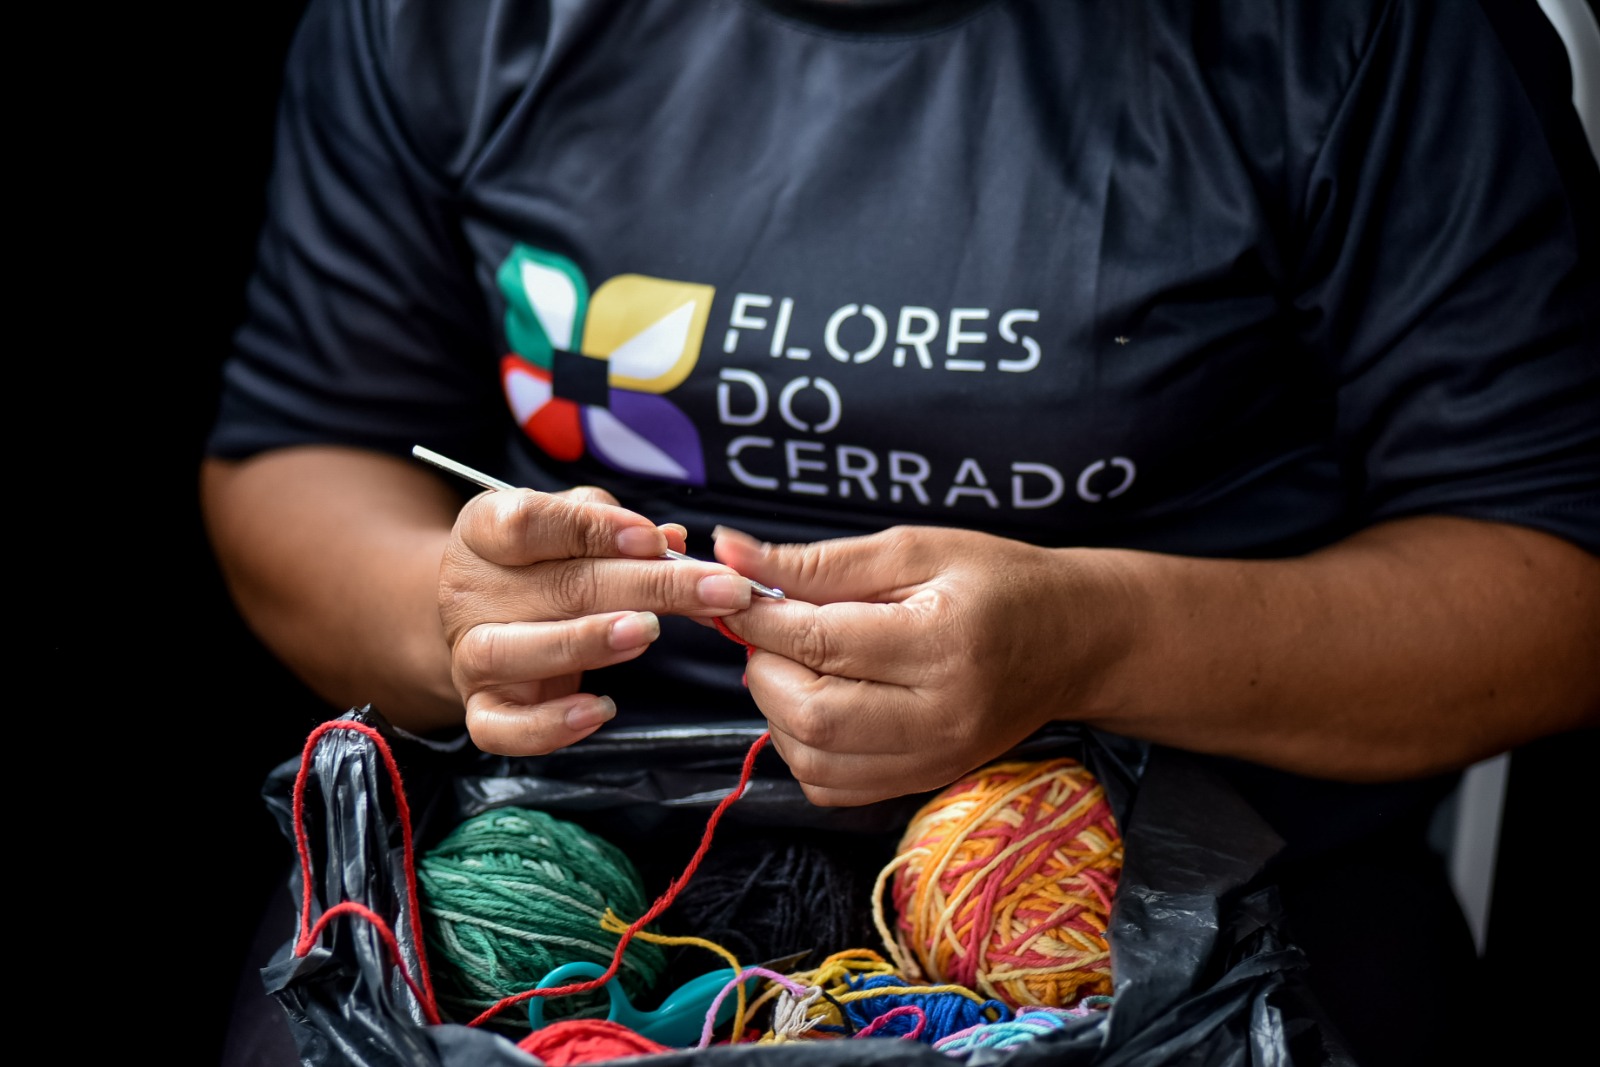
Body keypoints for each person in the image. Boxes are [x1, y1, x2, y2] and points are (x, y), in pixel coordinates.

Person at [201, 0, 1600, 1064]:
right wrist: (447, 615)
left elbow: (1556, 581)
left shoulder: (1357, 33)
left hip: (1186, 867)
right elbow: (296, 459)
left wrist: (1094, 642)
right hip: (563, 871)